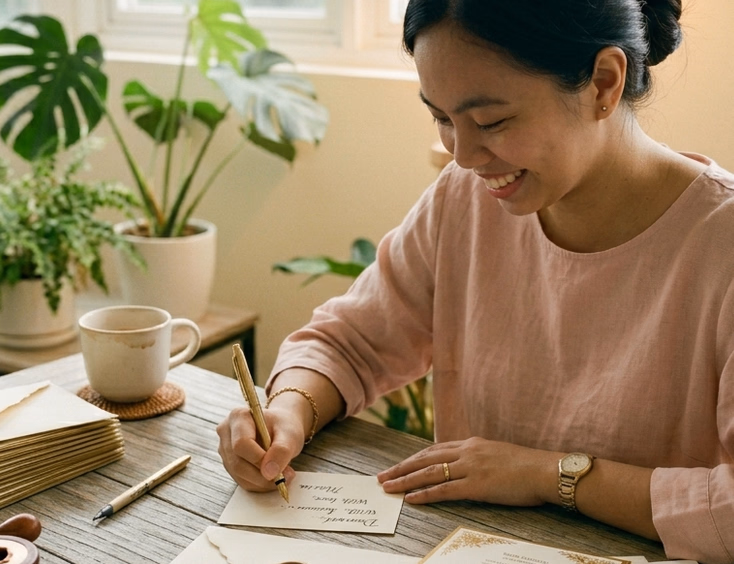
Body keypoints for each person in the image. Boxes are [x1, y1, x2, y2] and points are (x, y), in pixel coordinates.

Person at [217, 1, 734, 561]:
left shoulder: (720, 246)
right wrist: (288, 409)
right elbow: (348, 342)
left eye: (491, 122)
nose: (461, 156)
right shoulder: (465, 202)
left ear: (604, 82)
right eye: (441, 118)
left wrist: (547, 476)